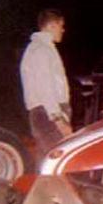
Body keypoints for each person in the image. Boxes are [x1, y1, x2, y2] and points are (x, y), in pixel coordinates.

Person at [19, 9, 72, 155]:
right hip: (48, 115)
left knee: (47, 162)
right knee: (57, 161)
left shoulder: (40, 49)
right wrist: (59, 120)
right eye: (61, 25)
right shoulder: (42, 50)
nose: (63, 29)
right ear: (52, 25)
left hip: (45, 113)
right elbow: (45, 88)